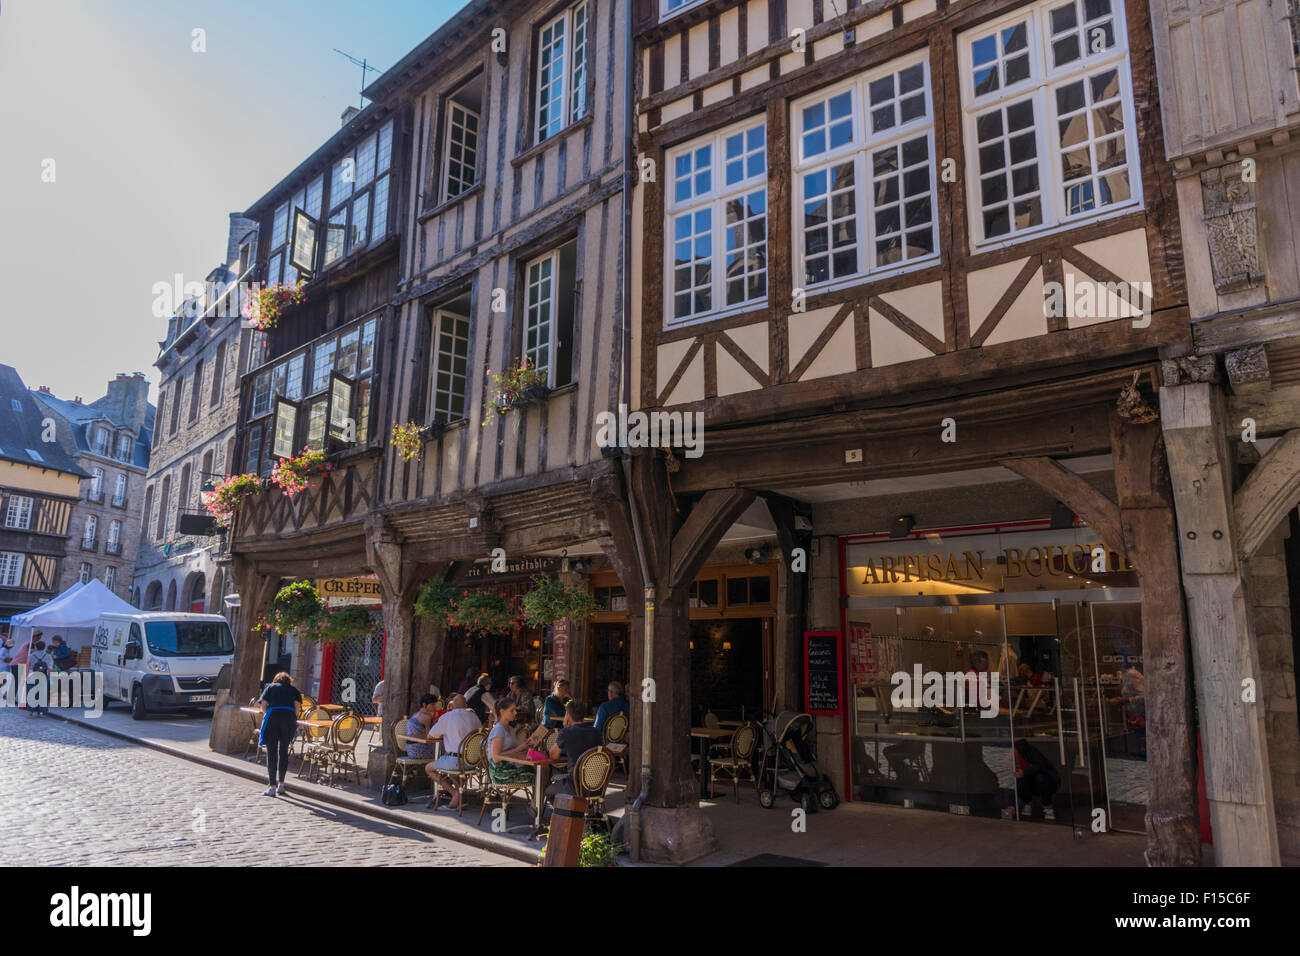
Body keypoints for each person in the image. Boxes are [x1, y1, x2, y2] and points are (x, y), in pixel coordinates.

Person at [425, 694, 481, 811]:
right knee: (453, 771)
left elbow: (430, 735)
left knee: (429, 768)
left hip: (455, 761)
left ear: (452, 706)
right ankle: (459, 795)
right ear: (466, 705)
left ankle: (454, 792)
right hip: (473, 762)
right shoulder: (474, 717)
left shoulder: (448, 717)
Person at [258, 672, 303, 796]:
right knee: (283, 751)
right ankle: (281, 785)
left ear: (276, 680)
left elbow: (263, 705)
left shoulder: (270, 688)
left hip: (273, 718)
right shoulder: (294, 690)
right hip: (288, 719)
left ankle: (272, 786)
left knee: (271, 752)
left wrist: (269, 714)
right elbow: (297, 708)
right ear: (289, 681)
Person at [547, 702, 602, 799]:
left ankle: (567, 813)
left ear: (567, 715)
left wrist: (565, 728)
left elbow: (553, 756)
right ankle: (574, 811)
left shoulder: (566, 732)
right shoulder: (596, 732)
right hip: (596, 787)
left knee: (549, 791)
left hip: (575, 786)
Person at [486, 698, 535, 785]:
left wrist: (526, 746)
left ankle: (535, 798)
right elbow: (496, 757)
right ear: (502, 712)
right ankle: (536, 798)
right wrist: (519, 749)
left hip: (510, 765)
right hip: (499, 771)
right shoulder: (499, 729)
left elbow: (511, 751)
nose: (515, 713)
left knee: (540, 770)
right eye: (512, 711)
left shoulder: (511, 729)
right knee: (537, 774)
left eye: (515, 710)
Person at [1013, 738, 1060, 819]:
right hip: (1028, 781)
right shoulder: (1008, 757)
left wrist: (1024, 772)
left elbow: (1041, 766)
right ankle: (1028, 803)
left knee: (1041, 778)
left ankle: (1048, 806)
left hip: (1046, 779)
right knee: (1016, 781)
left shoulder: (1026, 749)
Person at [403, 695, 441, 763]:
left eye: (435, 704)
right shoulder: (426, 717)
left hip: (410, 750)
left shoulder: (415, 714)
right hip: (419, 750)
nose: (435, 707)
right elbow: (429, 736)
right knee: (445, 748)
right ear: (424, 704)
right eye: (432, 704)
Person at [27, 640, 53, 716]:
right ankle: (40, 711)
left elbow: (27, 667)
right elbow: (50, 669)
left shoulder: (31, 656)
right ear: (44, 647)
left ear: (36, 647)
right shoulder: (48, 656)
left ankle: (31, 711)